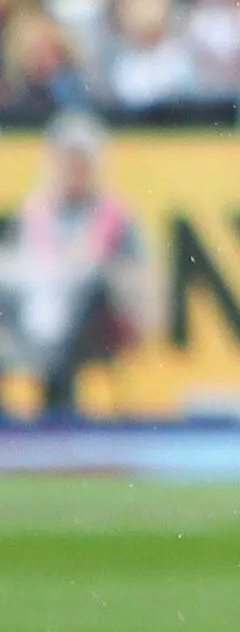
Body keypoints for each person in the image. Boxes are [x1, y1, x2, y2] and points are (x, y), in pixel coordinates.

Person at [0, 113, 154, 417]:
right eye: (67, 161)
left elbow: (139, 285)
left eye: (81, 161)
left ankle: (58, 412)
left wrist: (93, 269)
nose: (74, 170)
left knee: (85, 293)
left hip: (92, 327)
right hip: (33, 319)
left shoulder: (116, 219)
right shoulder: (32, 215)